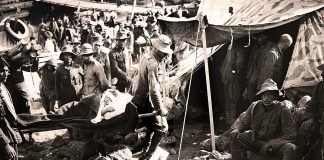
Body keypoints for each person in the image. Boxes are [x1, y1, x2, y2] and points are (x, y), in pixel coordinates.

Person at [230, 78, 296, 160]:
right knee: (235, 137)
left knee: (291, 148)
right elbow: (244, 123)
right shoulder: (254, 106)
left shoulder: (283, 110)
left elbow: (291, 134)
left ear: (275, 96)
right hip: (257, 141)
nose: (266, 98)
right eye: (264, 95)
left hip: (275, 145)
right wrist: (237, 129)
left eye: (270, 95)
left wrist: (271, 144)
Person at [132, 34, 173, 160]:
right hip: (146, 100)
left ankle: (145, 149)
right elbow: (153, 89)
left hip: (140, 97)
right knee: (161, 128)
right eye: (163, 52)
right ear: (156, 49)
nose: (165, 55)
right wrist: (160, 108)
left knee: (152, 126)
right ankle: (148, 156)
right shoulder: (153, 64)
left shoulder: (147, 56)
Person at [0, 58, 22, 160]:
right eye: (2, 71)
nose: (6, 74)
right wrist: (5, 145)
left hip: (10, 134)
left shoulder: (2, 87)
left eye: (7, 71)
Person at [306, 63, 324, 160]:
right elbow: (313, 105)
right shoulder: (320, 86)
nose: (322, 76)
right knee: (312, 139)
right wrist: (311, 119)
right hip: (318, 121)